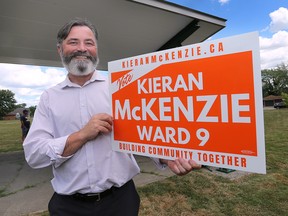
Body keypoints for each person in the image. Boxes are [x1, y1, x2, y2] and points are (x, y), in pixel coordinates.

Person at [23, 18, 201, 216]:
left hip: (120, 202)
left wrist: (166, 156)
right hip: (69, 207)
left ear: (96, 48)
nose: (82, 48)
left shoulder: (120, 87)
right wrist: (82, 135)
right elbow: (34, 154)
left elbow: (144, 130)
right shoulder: (49, 97)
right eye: (73, 42)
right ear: (60, 49)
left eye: (89, 42)